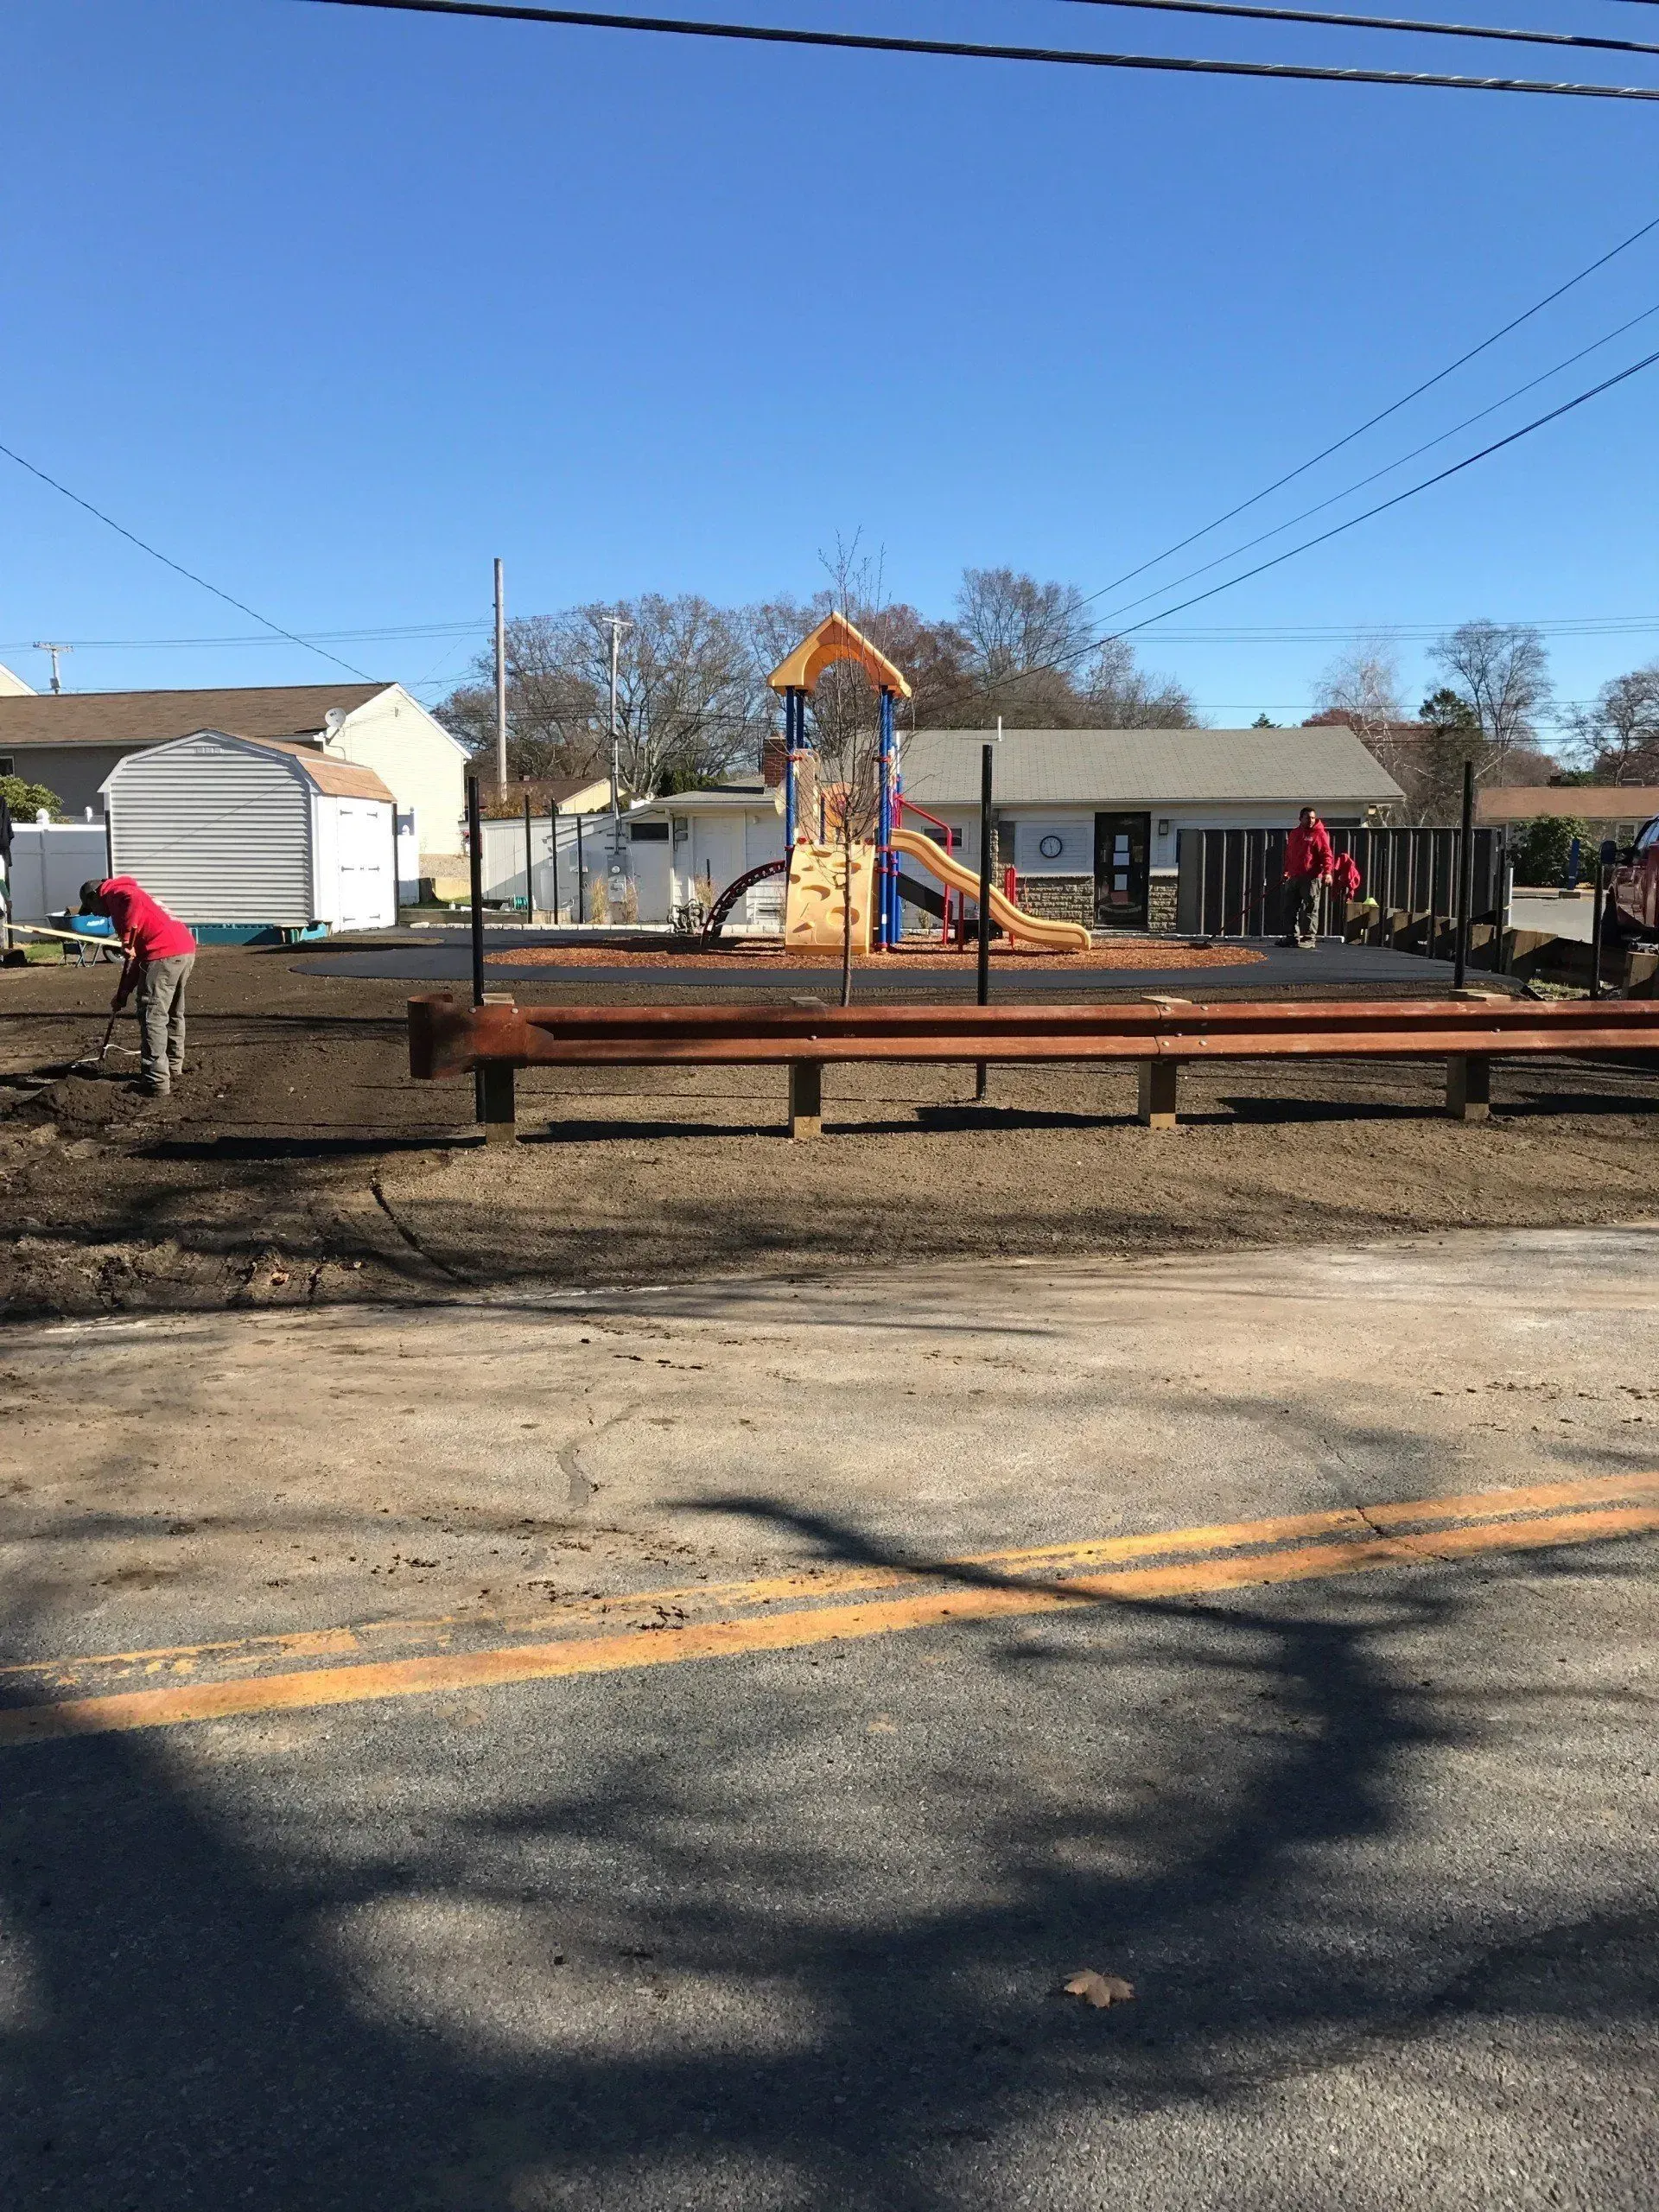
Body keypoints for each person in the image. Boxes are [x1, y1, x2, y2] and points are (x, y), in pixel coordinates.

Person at [79, 876, 196, 1096]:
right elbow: (135, 960)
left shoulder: (115, 893)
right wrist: (123, 992)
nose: (93, 913)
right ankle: (172, 1067)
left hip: (163, 953)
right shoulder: (122, 897)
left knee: (152, 1017)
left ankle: (156, 1082)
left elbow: (133, 899)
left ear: (96, 896)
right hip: (183, 950)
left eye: (91, 907)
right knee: (172, 1013)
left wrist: (127, 938)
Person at [1280, 806, 1334, 949]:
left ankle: (1309, 938)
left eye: (1312, 818)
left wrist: (1328, 873)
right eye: (1307, 818)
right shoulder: (1295, 834)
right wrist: (1286, 872)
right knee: (1290, 907)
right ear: (1300, 819)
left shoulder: (1319, 834)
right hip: (1294, 877)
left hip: (1311, 878)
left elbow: (1326, 855)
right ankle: (1291, 936)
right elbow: (1289, 855)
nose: (1310, 820)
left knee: (1310, 907)